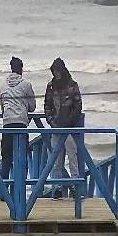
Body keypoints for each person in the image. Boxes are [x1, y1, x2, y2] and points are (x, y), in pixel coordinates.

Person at [44, 58, 83, 199]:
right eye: (54, 72)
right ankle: (58, 188)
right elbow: (47, 106)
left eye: (58, 71)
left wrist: (70, 122)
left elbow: (78, 106)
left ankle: (75, 187)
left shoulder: (72, 85)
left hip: (69, 128)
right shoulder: (50, 86)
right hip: (56, 127)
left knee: (73, 157)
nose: (56, 74)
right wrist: (51, 121)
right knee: (56, 160)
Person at [0, 57, 36, 180]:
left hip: (7, 123)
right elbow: (32, 107)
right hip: (21, 123)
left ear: (11, 68)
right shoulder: (26, 84)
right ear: (21, 69)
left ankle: (4, 188)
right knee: (22, 158)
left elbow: (2, 108)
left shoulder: (3, 86)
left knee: (6, 159)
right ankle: (20, 187)